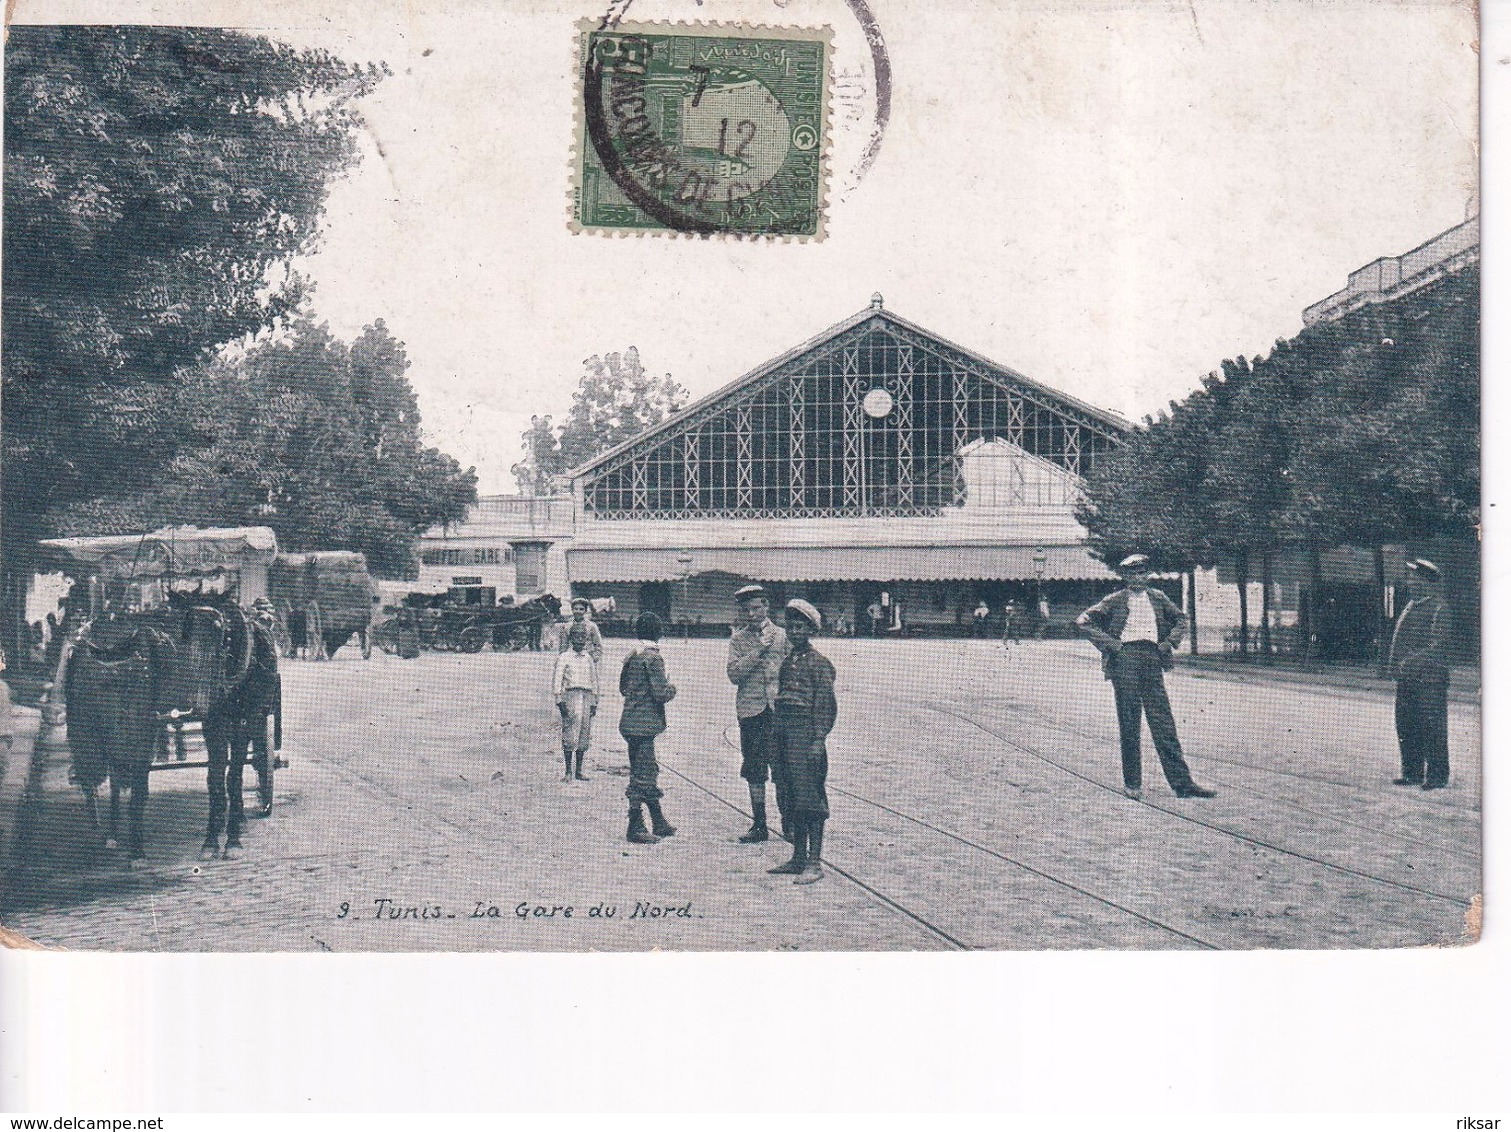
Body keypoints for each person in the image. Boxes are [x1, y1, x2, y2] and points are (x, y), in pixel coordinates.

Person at [1076, 554, 1215, 801]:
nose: (1138, 578)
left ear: (1148, 575)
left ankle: (1182, 784)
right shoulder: (1115, 600)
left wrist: (1169, 642)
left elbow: (1181, 619)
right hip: (1125, 660)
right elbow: (1084, 621)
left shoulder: (1158, 598)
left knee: (1163, 721)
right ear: (1125, 576)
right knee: (1130, 721)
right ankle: (1132, 784)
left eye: (1142, 573)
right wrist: (1112, 644)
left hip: (1152, 658)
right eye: (1133, 574)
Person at [766, 600, 838, 885]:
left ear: (810, 629)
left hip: (805, 736)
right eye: (790, 627)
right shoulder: (788, 662)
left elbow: (825, 705)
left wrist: (818, 739)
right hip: (782, 733)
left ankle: (814, 862)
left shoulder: (820, 664)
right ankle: (797, 858)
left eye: (800, 627)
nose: (794, 632)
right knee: (790, 795)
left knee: (810, 798)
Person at [726, 584, 791, 843]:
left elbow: (791, 671)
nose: (751, 614)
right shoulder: (738, 640)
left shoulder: (784, 636)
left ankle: (789, 823)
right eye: (746, 610)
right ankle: (759, 824)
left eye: (756, 608)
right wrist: (758, 650)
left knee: (782, 768)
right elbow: (733, 674)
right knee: (754, 769)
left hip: (778, 711)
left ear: (766, 607)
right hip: (751, 711)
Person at [1386, 558, 1453, 790]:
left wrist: (1409, 662)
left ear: (1426, 581)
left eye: (1413, 577)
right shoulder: (1411, 605)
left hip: (1429, 680)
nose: (1410, 581)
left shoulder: (1438, 607)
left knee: (1432, 727)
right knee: (1406, 725)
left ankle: (1437, 776)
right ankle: (1412, 772)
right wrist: (1395, 666)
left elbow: (1438, 645)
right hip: (1408, 679)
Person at [618, 611, 678, 844]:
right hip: (644, 725)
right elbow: (661, 693)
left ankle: (658, 820)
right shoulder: (653, 658)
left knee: (645, 768)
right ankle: (635, 825)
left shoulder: (632, 655)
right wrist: (672, 687)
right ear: (659, 633)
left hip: (629, 722)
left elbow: (623, 688)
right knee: (643, 774)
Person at [553, 621, 599, 782]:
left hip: (586, 696)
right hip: (571, 695)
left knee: (584, 731)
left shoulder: (588, 658)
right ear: (571, 638)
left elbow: (594, 681)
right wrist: (559, 701)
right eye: (576, 636)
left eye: (583, 636)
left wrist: (594, 702)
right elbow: (558, 679)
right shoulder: (564, 657)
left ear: (587, 639)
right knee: (570, 731)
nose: (580, 639)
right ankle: (567, 771)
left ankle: (579, 770)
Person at [559, 596, 604, 663]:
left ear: (585, 611)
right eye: (575, 609)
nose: (578, 611)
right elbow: (563, 646)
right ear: (572, 610)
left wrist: (595, 657)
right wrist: (562, 658)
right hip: (572, 658)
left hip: (588, 658)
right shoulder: (567, 626)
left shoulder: (592, 626)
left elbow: (598, 645)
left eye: (581, 609)